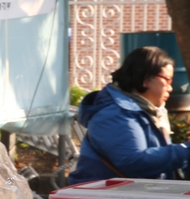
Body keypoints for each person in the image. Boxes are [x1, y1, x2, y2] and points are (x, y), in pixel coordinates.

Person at [69, 46, 190, 183]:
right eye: (167, 80)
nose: (170, 88)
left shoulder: (150, 110)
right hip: (105, 198)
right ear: (145, 78)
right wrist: (185, 150)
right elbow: (133, 162)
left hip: (133, 194)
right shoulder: (114, 113)